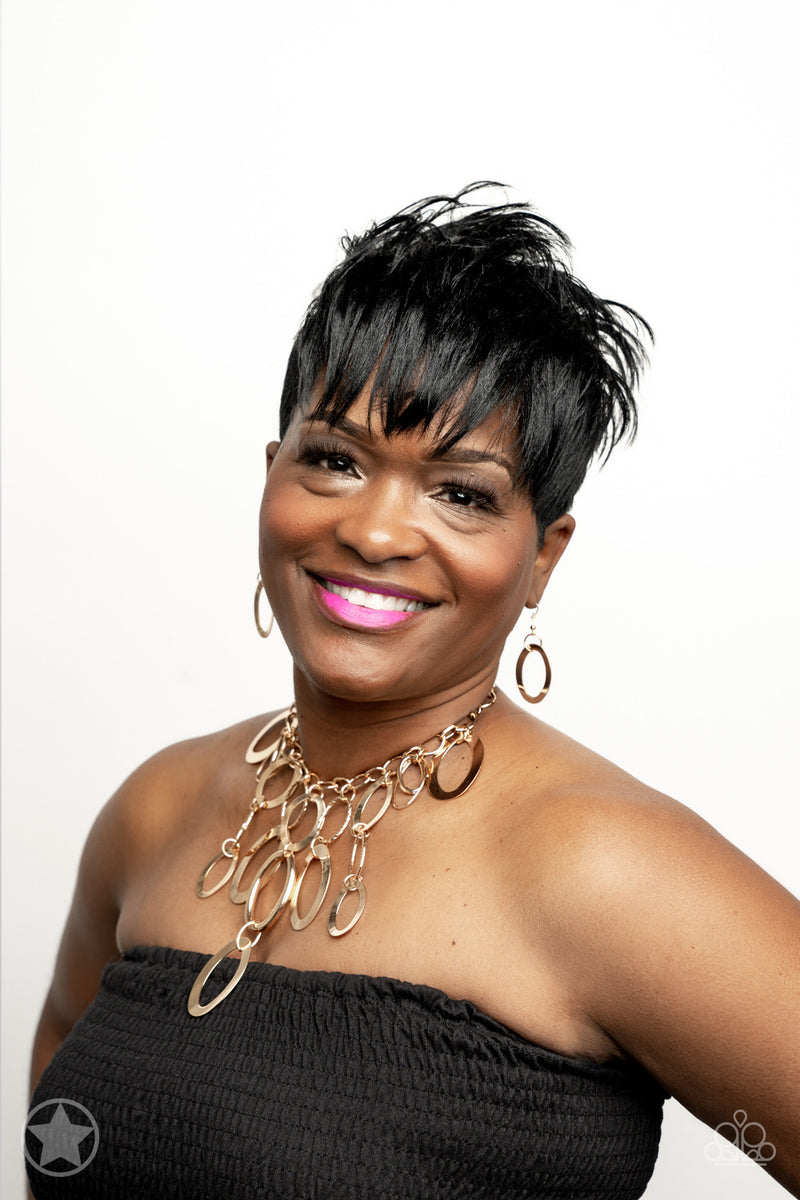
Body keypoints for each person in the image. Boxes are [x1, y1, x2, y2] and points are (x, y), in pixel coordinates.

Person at [26, 186, 800, 1199]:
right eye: (334, 461)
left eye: (461, 493)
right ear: (272, 474)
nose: (376, 531)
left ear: (542, 556)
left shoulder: (606, 868)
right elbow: (61, 1123)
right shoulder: (156, 808)